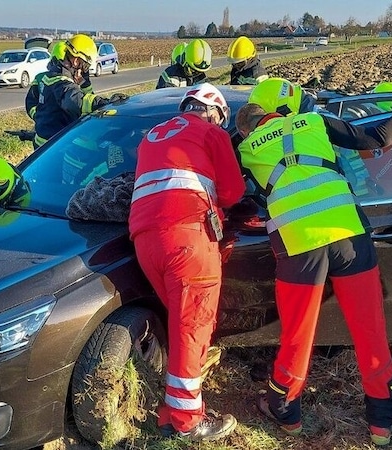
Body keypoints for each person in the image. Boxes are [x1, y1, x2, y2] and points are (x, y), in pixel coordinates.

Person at [235, 77, 392, 446]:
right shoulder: (314, 122)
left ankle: (286, 411)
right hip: (347, 233)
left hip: (299, 244)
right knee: (370, 328)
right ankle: (381, 422)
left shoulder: (245, 148)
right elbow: (378, 139)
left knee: (297, 334)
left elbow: (233, 193)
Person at [128, 83, 245, 441]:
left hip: (145, 239)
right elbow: (233, 192)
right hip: (188, 237)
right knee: (193, 327)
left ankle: (171, 410)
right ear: (214, 112)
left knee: (181, 326)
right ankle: (188, 421)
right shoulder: (210, 131)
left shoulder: (151, 137)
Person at [31, 34, 120, 148]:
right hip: (54, 146)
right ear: (77, 61)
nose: (84, 70)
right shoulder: (61, 82)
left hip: (45, 144)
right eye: (85, 66)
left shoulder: (50, 77)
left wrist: (84, 83)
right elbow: (76, 100)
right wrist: (106, 103)